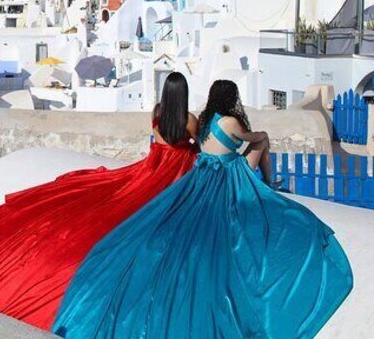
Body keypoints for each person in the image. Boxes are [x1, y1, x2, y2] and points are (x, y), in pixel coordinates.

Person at [53, 79, 353, 338]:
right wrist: (257, 137)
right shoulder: (225, 120)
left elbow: (193, 145)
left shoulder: (199, 117)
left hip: (194, 169)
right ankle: (271, 181)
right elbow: (250, 139)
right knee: (262, 142)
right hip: (224, 172)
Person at [0, 72, 199, 331]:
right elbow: (195, 146)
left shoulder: (156, 114)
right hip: (179, 170)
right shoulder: (189, 120)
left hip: (151, 168)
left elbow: (156, 141)